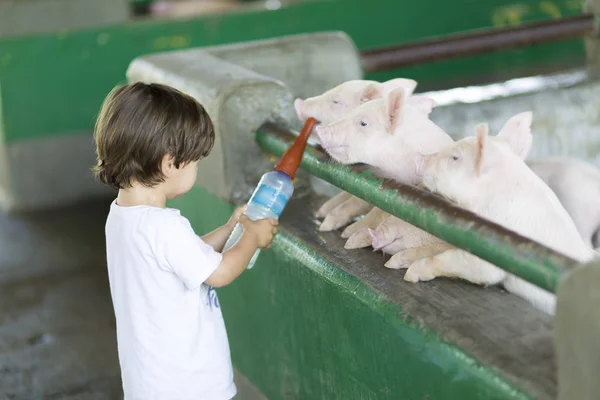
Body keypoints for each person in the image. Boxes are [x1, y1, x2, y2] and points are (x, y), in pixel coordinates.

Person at [92, 81, 278, 399]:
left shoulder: (123, 216)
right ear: (169, 163)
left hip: (151, 384)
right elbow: (218, 273)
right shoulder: (164, 225)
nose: (196, 168)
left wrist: (230, 227)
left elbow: (182, 260)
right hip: (188, 385)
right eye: (195, 162)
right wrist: (251, 237)